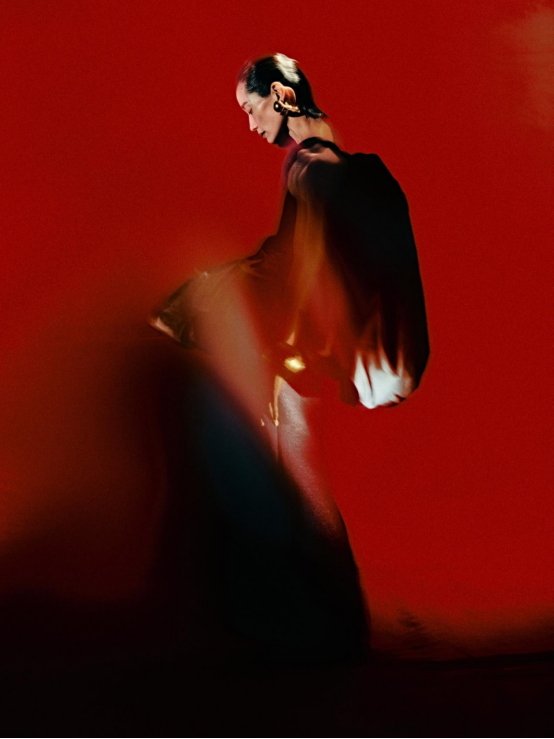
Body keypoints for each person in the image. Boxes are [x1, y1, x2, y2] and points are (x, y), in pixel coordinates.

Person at [147, 53, 430, 665]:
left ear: (279, 95)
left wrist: (283, 333)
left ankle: (333, 629)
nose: (250, 124)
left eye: (252, 108)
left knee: (298, 477)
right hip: (323, 344)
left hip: (310, 343)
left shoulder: (309, 163)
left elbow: (308, 253)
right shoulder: (334, 160)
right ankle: (326, 622)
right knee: (295, 474)